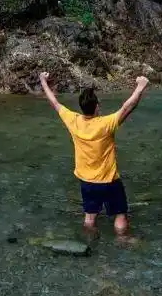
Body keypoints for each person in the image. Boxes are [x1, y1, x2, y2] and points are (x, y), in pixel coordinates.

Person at [39, 72, 150, 241]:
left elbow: (54, 102)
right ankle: (122, 240)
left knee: (89, 218)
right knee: (120, 215)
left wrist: (43, 81)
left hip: (87, 182)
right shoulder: (106, 124)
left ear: (81, 107)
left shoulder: (73, 121)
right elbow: (128, 107)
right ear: (97, 106)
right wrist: (141, 86)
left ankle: (90, 242)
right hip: (109, 181)